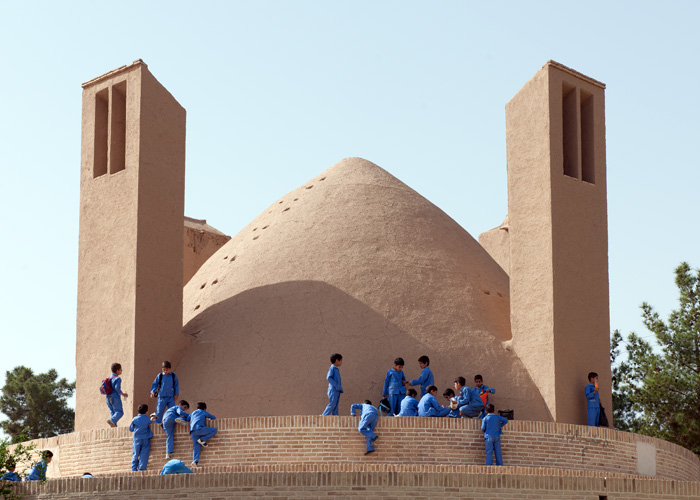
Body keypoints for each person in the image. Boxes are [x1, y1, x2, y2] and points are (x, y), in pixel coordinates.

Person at [190, 402, 217, 467]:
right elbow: (213, 417)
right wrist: (210, 418)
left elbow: (188, 418)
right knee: (214, 430)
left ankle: (195, 461)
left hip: (192, 431)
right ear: (204, 409)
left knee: (196, 445)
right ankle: (203, 439)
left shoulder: (193, 413)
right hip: (199, 428)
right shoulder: (203, 412)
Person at [129, 404, 153, 471]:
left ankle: (133, 468)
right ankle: (142, 468)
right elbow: (152, 421)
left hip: (137, 439)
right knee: (144, 454)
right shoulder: (148, 419)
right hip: (145, 438)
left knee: (135, 453)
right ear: (147, 411)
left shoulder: (135, 419)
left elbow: (131, 429)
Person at [106, 362, 128, 427]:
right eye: (121, 369)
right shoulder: (117, 378)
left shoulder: (109, 379)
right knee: (119, 412)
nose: (121, 371)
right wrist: (122, 394)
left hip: (108, 398)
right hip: (115, 397)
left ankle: (113, 426)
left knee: (113, 412)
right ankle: (112, 420)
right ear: (117, 370)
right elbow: (117, 388)